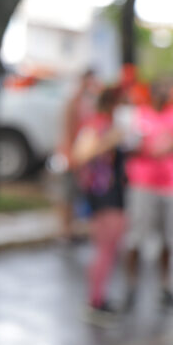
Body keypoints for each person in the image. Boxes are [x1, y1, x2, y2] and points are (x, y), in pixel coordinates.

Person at [123, 81, 173, 311]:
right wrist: (146, 149)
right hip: (143, 183)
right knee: (136, 236)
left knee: (169, 238)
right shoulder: (137, 115)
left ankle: (166, 286)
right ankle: (131, 286)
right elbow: (126, 145)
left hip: (172, 184)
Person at [70, 86, 127, 320]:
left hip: (112, 193)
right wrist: (108, 141)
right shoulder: (97, 126)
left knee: (109, 250)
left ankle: (99, 297)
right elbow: (79, 156)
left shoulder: (112, 126)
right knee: (104, 250)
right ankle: (95, 301)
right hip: (103, 194)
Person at [56, 69, 100, 242]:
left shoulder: (90, 102)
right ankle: (66, 231)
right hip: (71, 156)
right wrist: (69, 155)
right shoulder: (73, 102)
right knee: (67, 195)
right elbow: (67, 130)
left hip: (84, 155)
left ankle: (74, 227)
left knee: (78, 194)